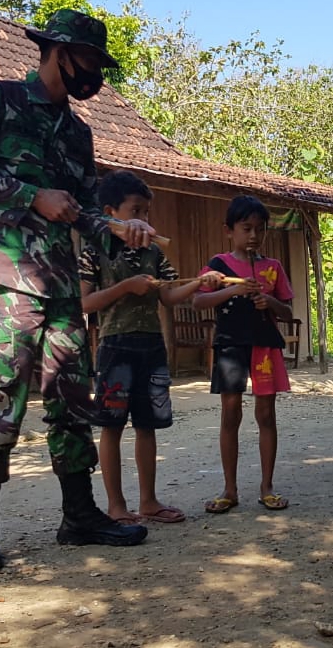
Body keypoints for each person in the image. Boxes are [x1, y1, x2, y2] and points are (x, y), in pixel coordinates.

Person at [0, 9, 152, 573]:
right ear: (58, 52)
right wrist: (30, 195)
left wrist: (120, 228)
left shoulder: (78, 132)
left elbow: (82, 212)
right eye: (87, 61)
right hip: (6, 279)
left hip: (60, 287)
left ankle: (79, 517)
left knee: (74, 401)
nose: (93, 75)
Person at [79, 171, 224, 525]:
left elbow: (169, 296)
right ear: (111, 212)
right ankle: (116, 506)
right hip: (114, 349)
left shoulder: (154, 252)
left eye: (147, 213)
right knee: (111, 427)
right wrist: (126, 287)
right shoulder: (94, 249)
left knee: (147, 426)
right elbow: (84, 304)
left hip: (151, 347)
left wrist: (198, 284)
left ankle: (148, 501)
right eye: (136, 211)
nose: (144, 220)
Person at [193, 196, 295, 514]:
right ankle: (229, 489)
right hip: (230, 345)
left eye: (259, 230)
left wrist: (268, 301)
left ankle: (267, 488)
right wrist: (233, 290)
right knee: (230, 414)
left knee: (266, 416)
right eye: (246, 228)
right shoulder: (218, 266)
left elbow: (288, 311)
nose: (253, 235)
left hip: (264, 345)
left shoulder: (273, 267)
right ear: (229, 230)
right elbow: (198, 301)